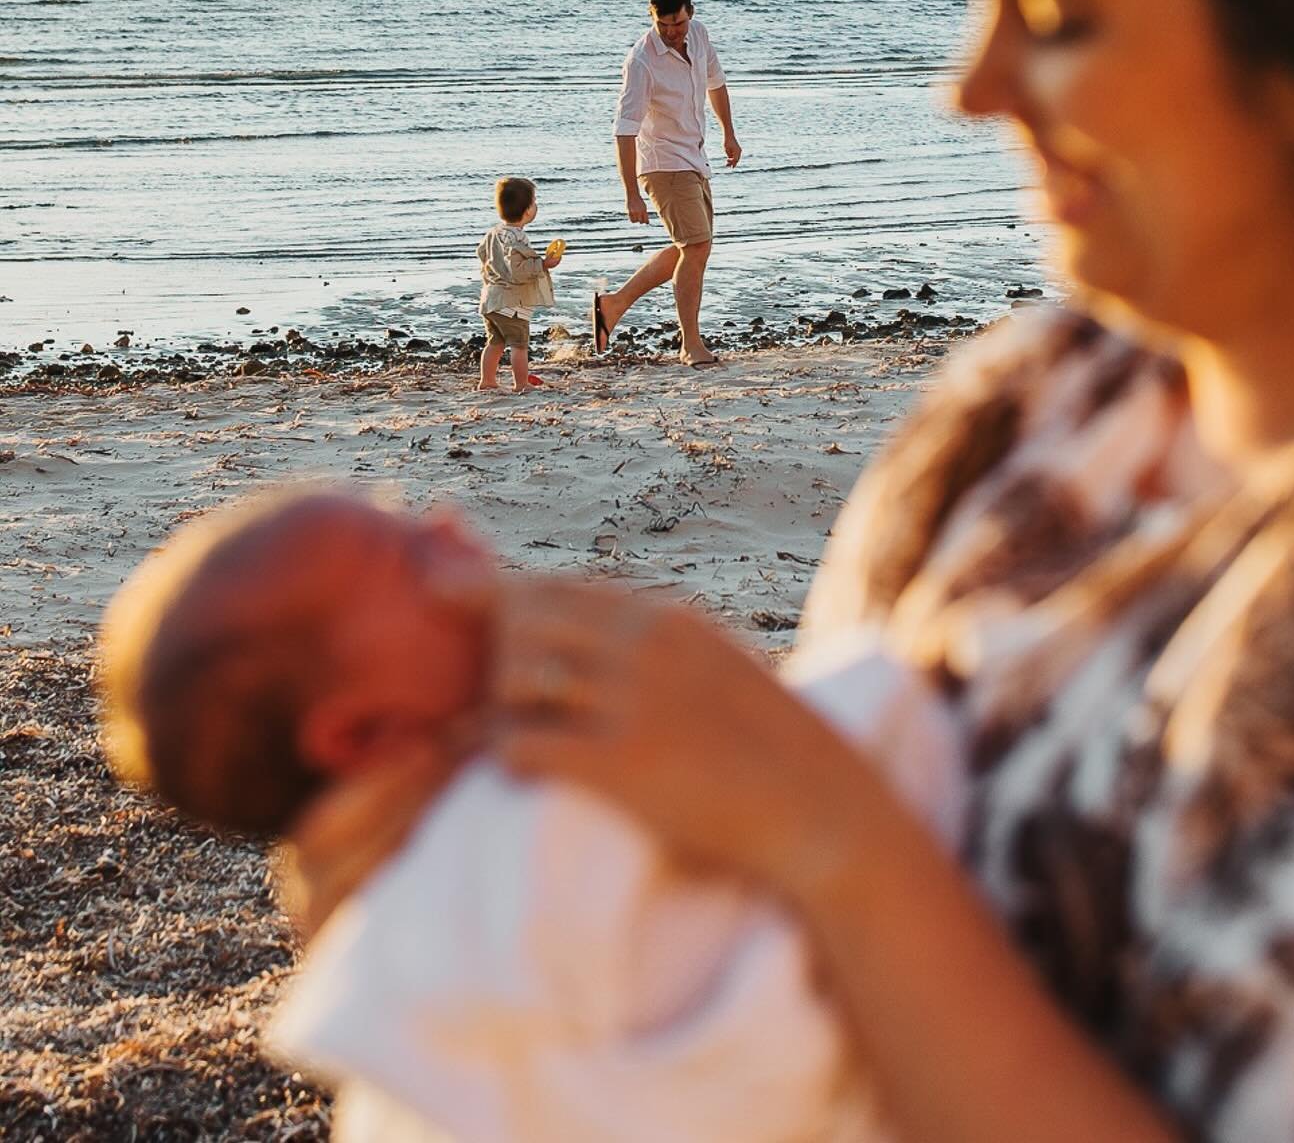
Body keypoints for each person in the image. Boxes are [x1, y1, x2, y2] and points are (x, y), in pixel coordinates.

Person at [285, 0, 1294, 1142]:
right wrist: (506, 911)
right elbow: (756, 963)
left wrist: (820, 837)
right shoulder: (1025, 410)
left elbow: (825, 838)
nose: (970, 91)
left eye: (1055, 14)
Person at [98, 487, 962, 1143]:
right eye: (408, 556)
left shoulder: (538, 762)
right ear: (360, 733)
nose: (444, 523)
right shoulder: (501, 838)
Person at [592, 0, 741, 368]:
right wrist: (630, 193)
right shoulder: (641, 61)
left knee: (691, 247)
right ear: (652, 18)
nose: (672, 32)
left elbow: (717, 84)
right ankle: (691, 344)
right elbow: (624, 130)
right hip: (662, 165)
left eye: (678, 23)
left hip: (694, 158)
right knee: (695, 247)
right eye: (664, 25)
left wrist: (729, 133)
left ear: (690, 11)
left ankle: (614, 304)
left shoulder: (701, 36)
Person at [477, 176, 562, 395]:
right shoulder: (517, 239)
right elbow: (518, 271)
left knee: (495, 343)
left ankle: (487, 381)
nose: (536, 206)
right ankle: (521, 383)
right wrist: (543, 264)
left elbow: (482, 254)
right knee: (519, 344)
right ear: (526, 212)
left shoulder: (494, 233)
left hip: (491, 298)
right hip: (512, 303)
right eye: (534, 202)